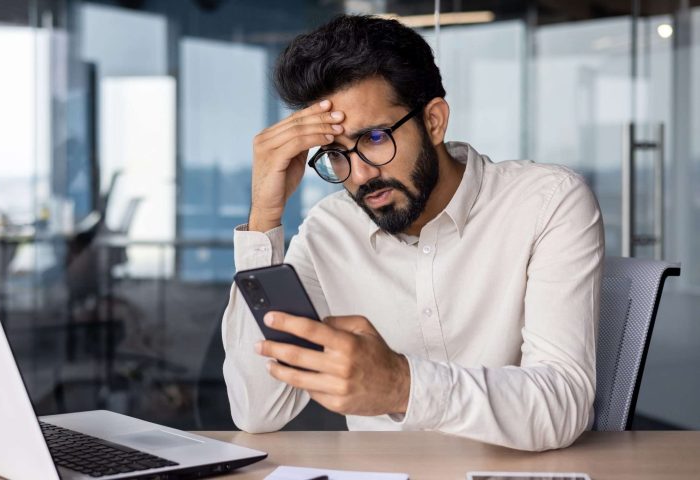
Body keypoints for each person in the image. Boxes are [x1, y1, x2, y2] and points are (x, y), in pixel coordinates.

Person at [220, 14, 604, 452]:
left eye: (375, 137)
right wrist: (264, 219)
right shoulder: (329, 230)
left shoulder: (546, 202)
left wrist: (401, 386)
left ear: (434, 121)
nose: (360, 176)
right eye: (335, 153)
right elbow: (259, 411)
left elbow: (561, 404)